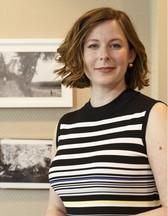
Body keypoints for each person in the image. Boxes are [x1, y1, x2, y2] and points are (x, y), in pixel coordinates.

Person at [45, 7, 167, 216]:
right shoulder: (66, 125)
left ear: (131, 54)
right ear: (81, 56)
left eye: (115, 45)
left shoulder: (153, 115)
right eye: (93, 46)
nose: (104, 55)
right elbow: (56, 208)